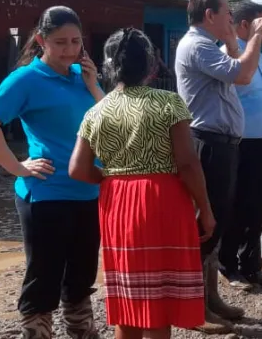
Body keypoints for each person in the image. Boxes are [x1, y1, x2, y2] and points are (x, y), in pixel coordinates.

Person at [69, 28, 215, 339]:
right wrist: (206, 209)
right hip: (162, 199)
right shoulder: (168, 103)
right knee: (158, 300)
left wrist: (110, 176)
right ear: (151, 65)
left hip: (118, 203)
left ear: (109, 68)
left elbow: (77, 170)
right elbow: (188, 164)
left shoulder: (97, 111)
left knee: (129, 296)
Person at [0, 6, 105, 339]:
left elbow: (110, 123)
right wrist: (16, 167)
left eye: (76, 41)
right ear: (40, 40)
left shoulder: (82, 76)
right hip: (47, 193)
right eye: (60, 42)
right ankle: (37, 331)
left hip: (88, 190)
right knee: (44, 277)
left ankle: (82, 330)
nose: (70, 49)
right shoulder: (26, 78)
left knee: (82, 276)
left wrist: (93, 86)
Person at [174, 0, 262, 334]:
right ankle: (196, 309)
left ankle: (210, 298)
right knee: (207, 223)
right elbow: (243, 74)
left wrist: (235, 39)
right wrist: (256, 36)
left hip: (222, 143)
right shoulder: (198, 46)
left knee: (215, 220)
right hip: (209, 143)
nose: (231, 19)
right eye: (227, 14)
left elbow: (235, 62)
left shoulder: (205, 44)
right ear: (209, 15)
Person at [218, 2, 262, 290]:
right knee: (236, 206)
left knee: (256, 206)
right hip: (240, 143)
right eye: (260, 24)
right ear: (243, 25)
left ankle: (251, 265)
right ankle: (228, 266)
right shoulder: (231, 53)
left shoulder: (259, 55)